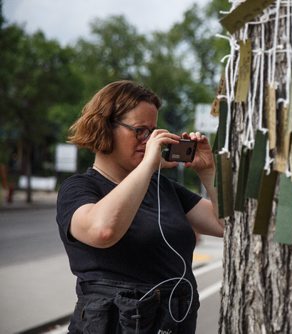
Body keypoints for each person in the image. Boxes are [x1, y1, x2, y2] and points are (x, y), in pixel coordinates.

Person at [56, 80, 224, 334]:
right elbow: (103, 231)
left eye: (153, 131)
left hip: (172, 322)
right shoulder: (78, 188)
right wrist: (149, 163)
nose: (148, 140)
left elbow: (226, 226)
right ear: (105, 127)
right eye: (140, 131)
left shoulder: (162, 187)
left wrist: (208, 172)